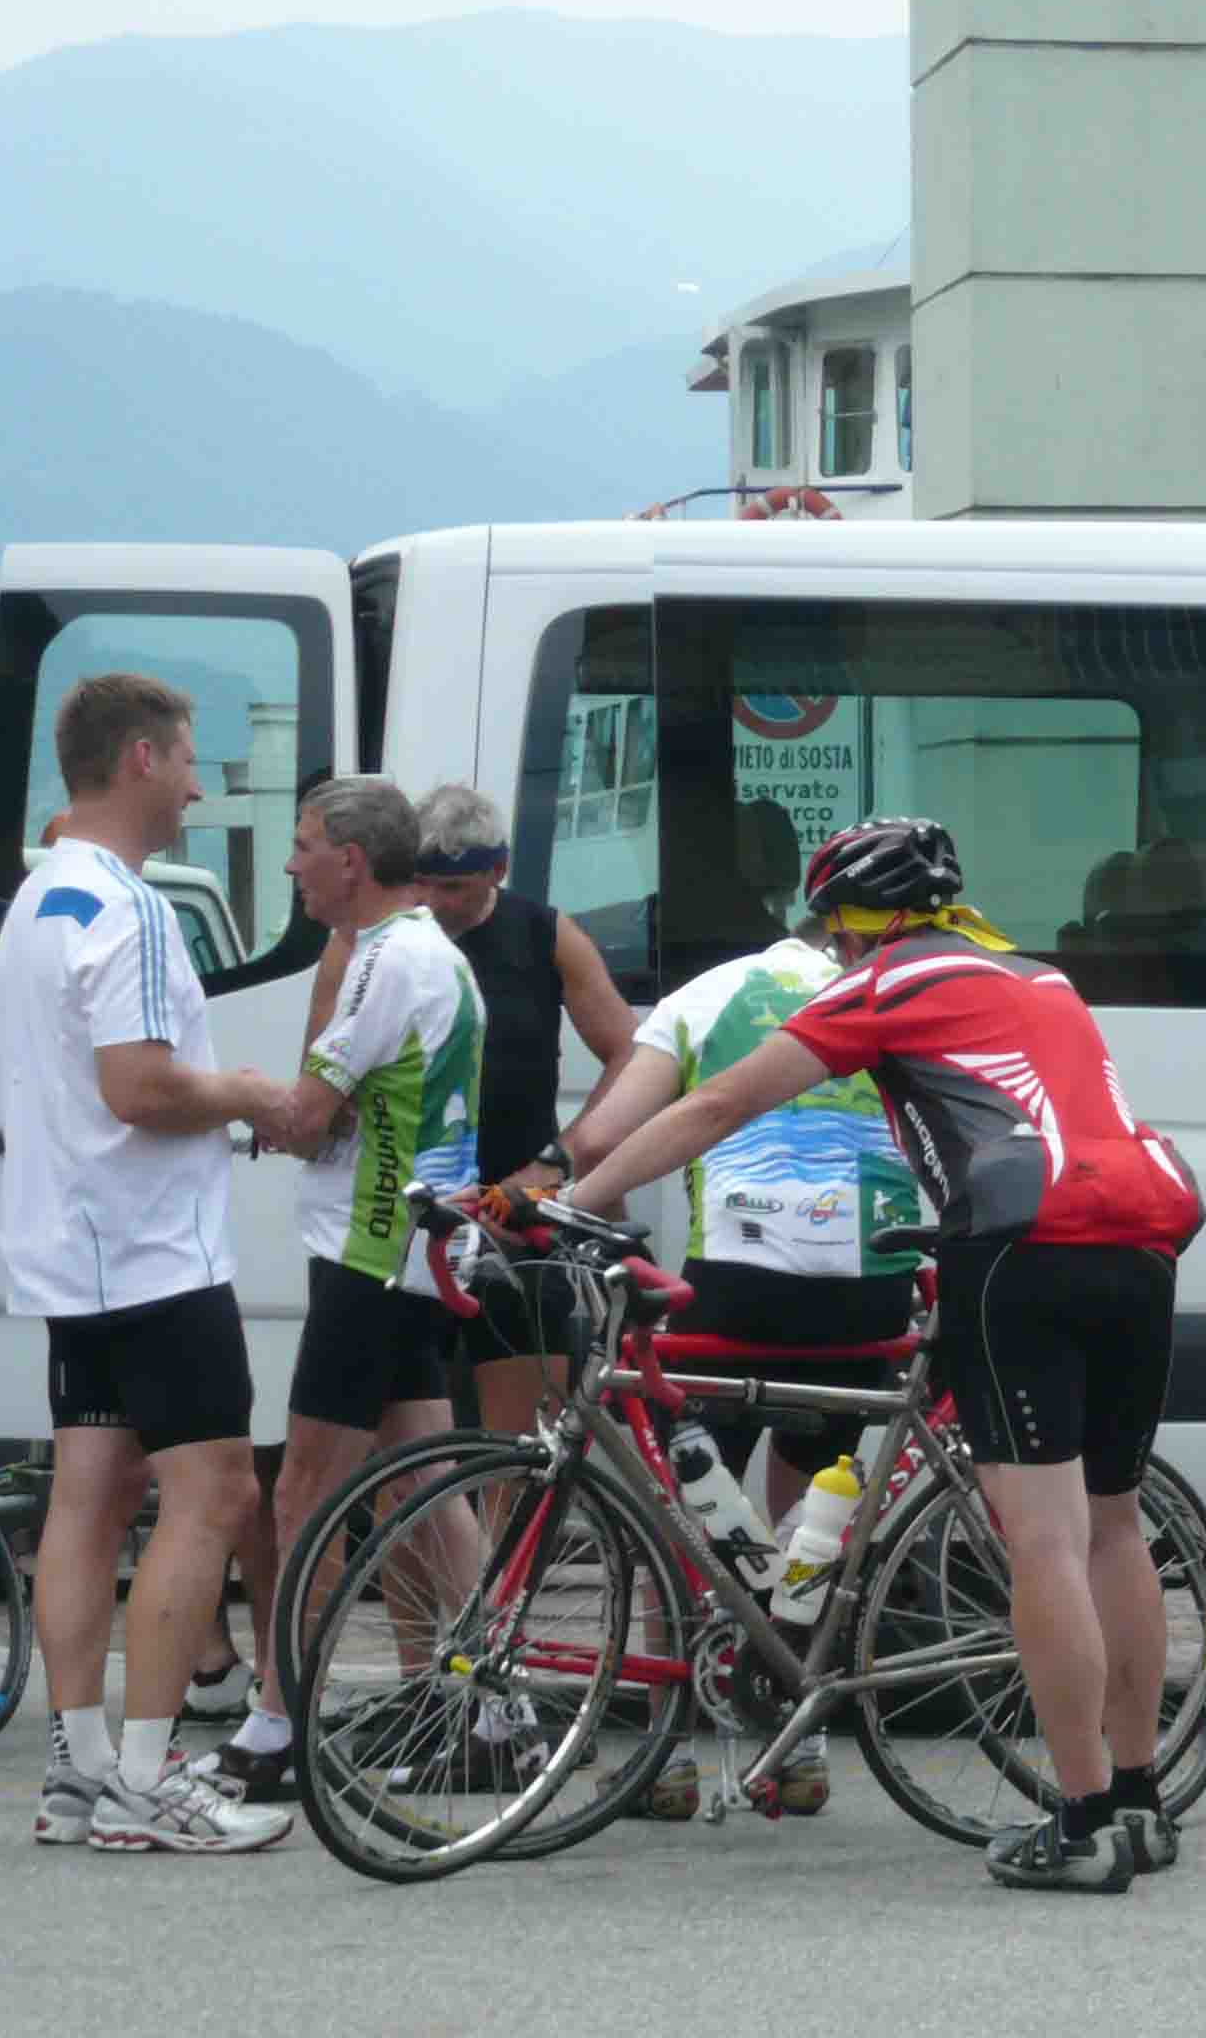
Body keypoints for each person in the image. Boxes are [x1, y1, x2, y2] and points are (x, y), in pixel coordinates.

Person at [567, 817, 1201, 1894]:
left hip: (1021, 1254)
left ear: (852, 924)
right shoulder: (1040, 978)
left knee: (1043, 1543)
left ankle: (1084, 1821)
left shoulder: (885, 985)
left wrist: (576, 1199)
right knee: (1112, 1527)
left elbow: (719, 1102)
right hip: (1142, 1246)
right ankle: (1140, 1803)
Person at [532, 914, 927, 1818]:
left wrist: (543, 1190)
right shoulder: (886, 992)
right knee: (814, 1496)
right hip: (871, 1288)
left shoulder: (706, 994)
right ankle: (800, 1741)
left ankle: (664, 1757)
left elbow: (602, 1136)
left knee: (680, 1511)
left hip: (741, 1286)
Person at [1, 674, 291, 1851]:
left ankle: (80, 1772)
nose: (194, 788)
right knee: (216, 1490)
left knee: (92, 1493)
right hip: (152, 1248)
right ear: (137, 758)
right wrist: (249, 1093)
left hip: (71, 1242)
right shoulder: (127, 907)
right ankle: (142, 1780)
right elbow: (140, 1087)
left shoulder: (39, 899)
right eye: (184, 761)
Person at [193, 776, 489, 1804]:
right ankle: (501, 1712)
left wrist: (222, 1099)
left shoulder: (386, 958)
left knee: (304, 1492)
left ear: (352, 860)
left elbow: (308, 1115)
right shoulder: (418, 950)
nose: (291, 864)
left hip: (373, 1250)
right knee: (427, 1485)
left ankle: (278, 1726)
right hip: (411, 1246)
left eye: (304, 844)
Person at [408, 784, 638, 1420]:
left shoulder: (544, 933)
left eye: (452, 888)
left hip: (517, 1211)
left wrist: (560, 1159)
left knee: (522, 1446)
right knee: (402, 1444)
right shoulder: (394, 936)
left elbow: (629, 1053)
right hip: (415, 1212)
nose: (433, 903)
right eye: (421, 884)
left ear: (497, 870)